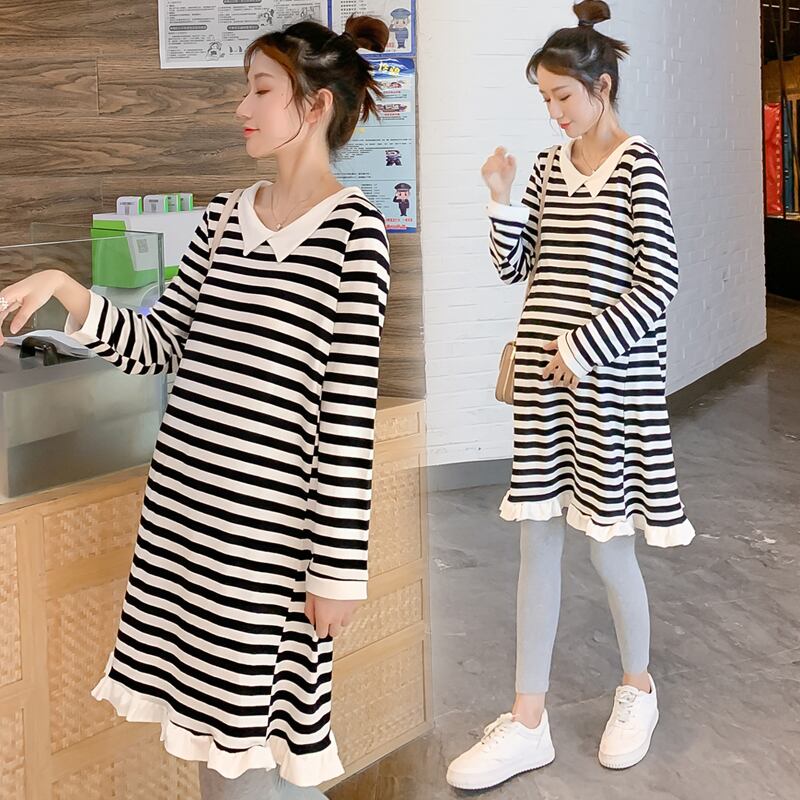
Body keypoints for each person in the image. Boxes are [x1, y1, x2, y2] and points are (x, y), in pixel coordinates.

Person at [0, 14, 391, 800]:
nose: (241, 106)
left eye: (261, 89)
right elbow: (157, 345)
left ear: (315, 105)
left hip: (268, 544)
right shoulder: (222, 218)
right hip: (185, 525)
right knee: (219, 753)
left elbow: (346, 417)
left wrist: (338, 569)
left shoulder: (355, 234)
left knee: (250, 754)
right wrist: (67, 288)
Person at [446, 1, 695, 791]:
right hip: (542, 388)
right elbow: (517, 267)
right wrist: (499, 196)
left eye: (563, 96)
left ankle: (638, 689)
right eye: (544, 98)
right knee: (537, 544)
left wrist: (582, 349)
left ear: (602, 86)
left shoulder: (638, 164)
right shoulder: (549, 168)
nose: (553, 112)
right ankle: (528, 720)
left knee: (609, 545)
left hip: (608, 389)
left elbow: (660, 283)